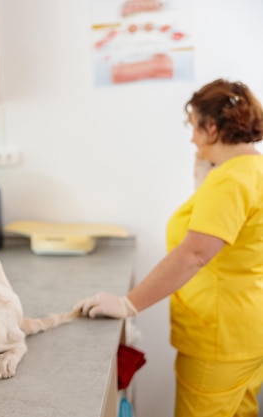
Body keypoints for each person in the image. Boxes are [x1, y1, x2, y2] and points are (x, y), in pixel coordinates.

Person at [75, 78, 263, 416]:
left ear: (211, 126)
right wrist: (204, 184)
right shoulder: (253, 169)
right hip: (247, 329)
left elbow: (194, 255)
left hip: (218, 337)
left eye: (193, 126)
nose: (191, 138)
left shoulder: (230, 179)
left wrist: (127, 304)